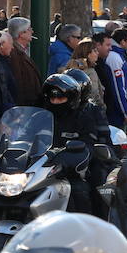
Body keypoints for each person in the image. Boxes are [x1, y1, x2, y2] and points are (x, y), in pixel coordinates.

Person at [41, 74, 98, 214]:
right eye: (52, 98)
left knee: (79, 191)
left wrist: (67, 160)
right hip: (40, 171)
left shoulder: (83, 118)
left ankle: (84, 230)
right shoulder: (41, 116)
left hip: (70, 173)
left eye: (60, 98)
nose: (55, 101)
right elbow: (26, 137)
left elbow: (88, 147)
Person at [6, 17, 42, 106]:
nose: (32, 32)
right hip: (25, 106)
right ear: (21, 33)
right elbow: (18, 82)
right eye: (29, 29)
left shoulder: (21, 51)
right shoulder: (14, 53)